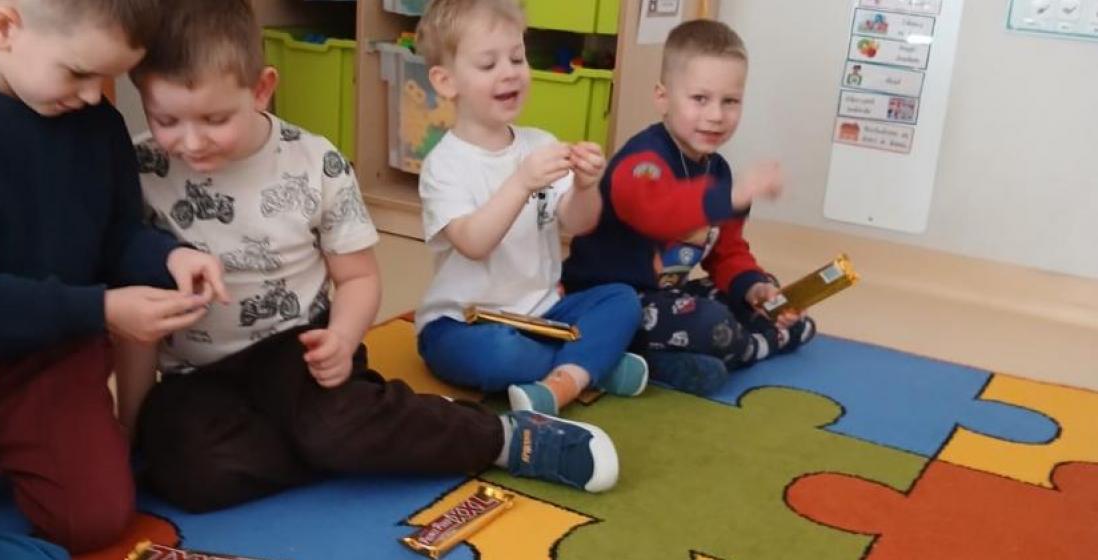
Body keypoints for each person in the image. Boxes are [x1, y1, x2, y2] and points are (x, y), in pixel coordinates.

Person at [115, 0, 620, 513]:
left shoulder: (316, 162)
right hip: (195, 376)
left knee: (332, 424)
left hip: (301, 353)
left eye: (215, 119)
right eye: (165, 119)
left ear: (262, 89)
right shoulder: (138, 167)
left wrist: (342, 338)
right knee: (191, 471)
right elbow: (136, 313)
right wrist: (130, 426)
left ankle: (506, 438)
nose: (191, 141)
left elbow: (357, 278)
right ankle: (360, 439)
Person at [0, 0, 226, 552]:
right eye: (79, 73)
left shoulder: (97, 124)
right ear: (3, 27)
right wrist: (102, 310)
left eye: (108, 78)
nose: (93, 95)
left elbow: (117, 235)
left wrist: (170, 258)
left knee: (94, 519)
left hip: (47, 362)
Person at [413, 0, 647, 417]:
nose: (509, 72)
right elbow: (472, 243)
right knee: (501, 353)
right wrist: (521, 183)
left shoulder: (540, 143)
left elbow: (579, 222)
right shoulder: (444, 164)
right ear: (446, 82)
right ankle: (591, 364)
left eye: (517, 58)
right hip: (464, 324)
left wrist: (587, 185)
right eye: (488, 64)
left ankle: (567, 377)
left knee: (622, 299)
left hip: (543, 314)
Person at [561, 20, 816, 397]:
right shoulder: (642, 162)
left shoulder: (719, 171)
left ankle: (728, 342)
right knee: (711, 322)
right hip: (609, 302)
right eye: (700, 99)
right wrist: (732, 196)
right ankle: (744, 345)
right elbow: (660, 214)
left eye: (730, 101)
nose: (716, 115)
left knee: (769, 293)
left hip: (666, 296)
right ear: (662, 98)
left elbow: (726, 252)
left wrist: (755, 289)